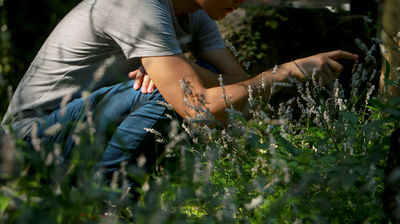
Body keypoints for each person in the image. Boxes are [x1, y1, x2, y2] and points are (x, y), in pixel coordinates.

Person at [1, 0, 358, 173]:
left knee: (180, 83)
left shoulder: (198, 18)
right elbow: (197, 105)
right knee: (163, 93)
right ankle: (107, 210)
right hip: (32, 139)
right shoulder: (137, 5)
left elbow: (242, 94)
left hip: (89, 127)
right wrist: (282, 73)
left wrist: (184, 70)